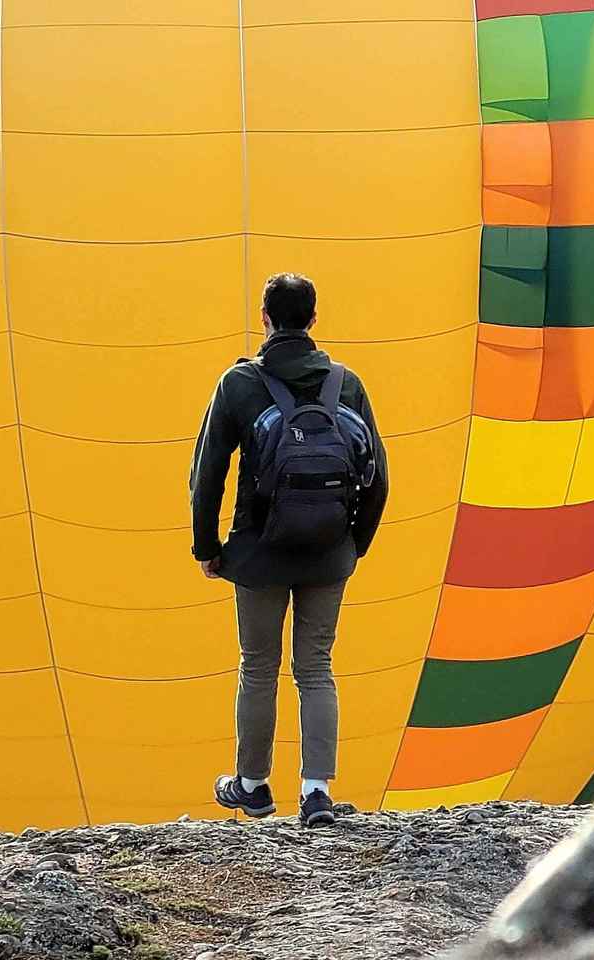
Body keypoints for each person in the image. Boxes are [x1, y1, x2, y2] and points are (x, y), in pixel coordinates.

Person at [190, 273, 389, 827]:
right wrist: (355, 546)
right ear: (314, 319)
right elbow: (379, 478)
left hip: (258, 553)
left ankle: (252, 786)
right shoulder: (347, 384)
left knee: (258, 667)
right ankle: (317, 790)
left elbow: (208, 474)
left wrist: (207, 547)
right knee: (316, 668)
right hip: (330, 553)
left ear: (265, 318)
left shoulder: (239, 384)